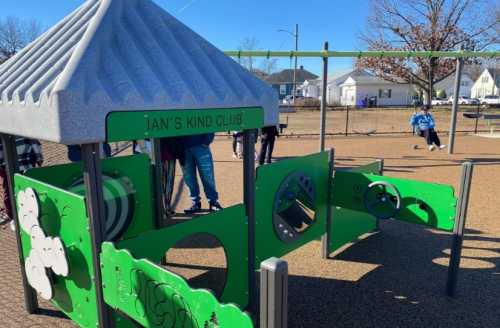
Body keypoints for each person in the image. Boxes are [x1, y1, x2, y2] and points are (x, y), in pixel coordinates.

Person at [0, 137, 44, 229]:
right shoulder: (24, 131)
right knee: (30, 189)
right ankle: (34, 212)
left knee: (9, 192)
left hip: (8, 169)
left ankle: (14, 217)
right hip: (27, 166)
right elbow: (35, 145)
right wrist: (39, 159)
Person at [179, 133, 222, 214]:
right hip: (183, 147)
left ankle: (213, 202)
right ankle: (195, 202)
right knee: (189, 177)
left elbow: (209, 121)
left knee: (207, 175)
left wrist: (207, 140)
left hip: (200, 145)